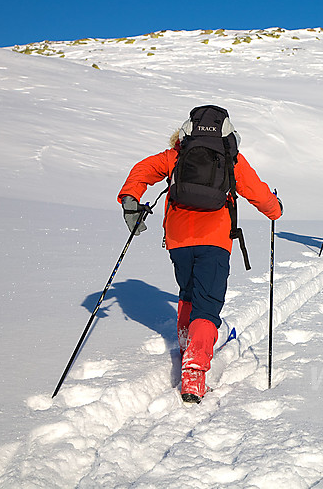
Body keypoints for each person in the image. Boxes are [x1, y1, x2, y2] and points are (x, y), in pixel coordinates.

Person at [118, 107, 281, 403]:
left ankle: (187, 344)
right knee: (207, 307)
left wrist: (130, 199)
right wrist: (276, 208)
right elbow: (260, 195)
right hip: (215, 240)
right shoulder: (231, 160)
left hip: (178, 239)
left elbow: (142, 171)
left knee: (188, 291)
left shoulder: (175, 156)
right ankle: (194, 371)